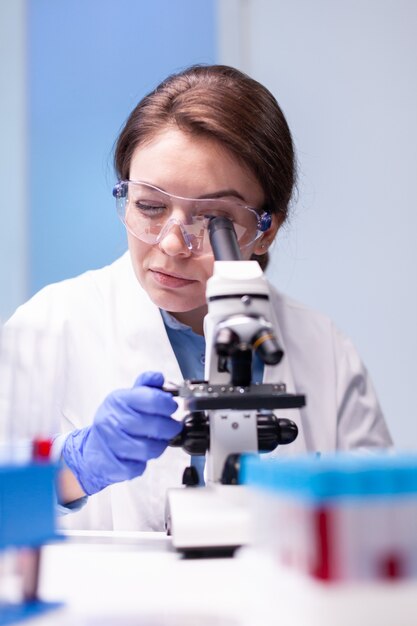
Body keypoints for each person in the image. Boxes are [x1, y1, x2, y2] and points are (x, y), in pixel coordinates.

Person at [5, 64, 392, 531]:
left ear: (267, 230)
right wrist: (72, 470)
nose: (171, 243)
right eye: (149, 206)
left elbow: (383, 523)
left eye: (214, 220)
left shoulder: (322, 348)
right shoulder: (51, 324)